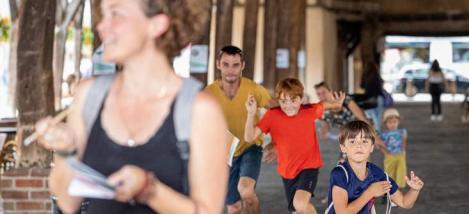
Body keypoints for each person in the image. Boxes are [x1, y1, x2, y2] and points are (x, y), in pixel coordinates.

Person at [34, 0, 230, 213]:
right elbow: (67, 203)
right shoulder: (89, 94)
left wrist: (150, 190)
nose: (101, 26)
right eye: (103, 14)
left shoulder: (199, 109)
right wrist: (65, 151)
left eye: (116, 14)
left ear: (156, 25)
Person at [245, 78, 346, 214]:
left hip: (309, 167)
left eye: (293, 100)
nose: (289, 105)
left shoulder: (309, 110)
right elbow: (249, 137)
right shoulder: (272, 116)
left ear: (301, 99)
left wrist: (338, 103)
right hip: (287, 172)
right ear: (278, 100)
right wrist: (251, 114)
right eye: (283, 101)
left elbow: (330, 105)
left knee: (300, 203)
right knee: (298, 210)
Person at [206, 45, 273, 214]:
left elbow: (277, 112)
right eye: (226, 64)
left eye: (235, 65)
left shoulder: (255, 89)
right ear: (218, 64)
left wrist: (276, 143)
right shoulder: (209, 92)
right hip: (224, 153)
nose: (230, 70)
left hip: (250, 147)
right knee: (233, 208)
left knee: (247, 191)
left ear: (242, 66)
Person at [325, 120, 424, 214]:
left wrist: (414, 190)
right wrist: (370, 192)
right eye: (352, 141)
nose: (359, 146)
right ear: (343, 148)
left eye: (364, 141)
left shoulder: (376, 174)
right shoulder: (340, 173)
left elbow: (404, 202)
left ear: (371, 147)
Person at [380, 108, 408, 189]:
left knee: (401, 172)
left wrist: (403, 149)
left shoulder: (401, 131)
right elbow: (379, 145)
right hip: (389, 155)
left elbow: (404, 140)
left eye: (394, 122)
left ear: (398, 122)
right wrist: (385, 152)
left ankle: (399, 191)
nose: (392, 124)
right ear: (385, 123)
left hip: (400, 154)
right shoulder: (384, 134)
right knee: (389, 173)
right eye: (389, 122)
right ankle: (388, 191)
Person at [360, 66, 385, 131]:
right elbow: (381, 87)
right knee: (379, 118)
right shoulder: (378, 77)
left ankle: (375, 134)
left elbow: (362, 86)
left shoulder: (366, 77)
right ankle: (378, 133)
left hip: (370, 99)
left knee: (373, 118)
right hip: (379, 98)